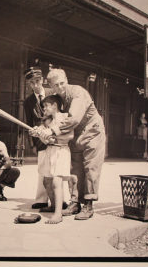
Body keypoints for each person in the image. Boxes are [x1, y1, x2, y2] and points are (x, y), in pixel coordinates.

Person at [39, 68, 106, 220]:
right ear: (51, 86)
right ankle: (75, 203)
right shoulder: (57, 99)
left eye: (62, 83)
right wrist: (42, 129)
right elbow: (49, 115)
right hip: (74, 135)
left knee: (90, 167)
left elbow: (74, 118)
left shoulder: (78, 93)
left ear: (66, 80)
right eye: (56, 85)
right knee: (74, 169)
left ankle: (88, 205)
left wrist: (53, 130)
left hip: (93, 132)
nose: (60, 87)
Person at [30, 95, 77, 224]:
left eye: (46, 106)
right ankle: (54, 205)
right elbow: (46, 139)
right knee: (47, 182)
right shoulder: (48, 121)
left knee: (57, 182)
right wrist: (38, 133)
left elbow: (70, 135)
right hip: (49, 151)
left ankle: (58, 214)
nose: (44, 108)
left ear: (55, 106)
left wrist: (53, 138)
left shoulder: (65, 117)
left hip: (61, 151)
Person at [23, 66, 52, 209]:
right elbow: (29, 123)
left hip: (55, 137)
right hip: (40, 140)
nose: (35, 85)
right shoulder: (28, 102)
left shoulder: (53, 94)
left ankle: (59, 200)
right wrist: (33, 142)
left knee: (56, 169)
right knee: (42, 168)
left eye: (37, 81)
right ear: (28, 84)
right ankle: (41, 199)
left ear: (42, 80)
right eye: (31, 83)